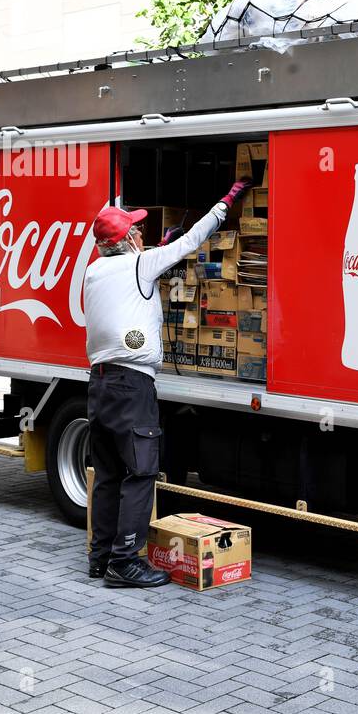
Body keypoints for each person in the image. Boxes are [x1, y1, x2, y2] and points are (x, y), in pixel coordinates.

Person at [83, 177, 250, 588]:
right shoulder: (140, 263)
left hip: (99, 383)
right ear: (127, 240)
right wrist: (225, 203)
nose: (143, 232)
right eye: (137, 228)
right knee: (140, 473)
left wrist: (156, 250)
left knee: (107, 475)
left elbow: (138, 270)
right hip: (131, 385)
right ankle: (125, 561)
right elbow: (192, 240)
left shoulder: (94, 271)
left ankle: (100, 556)